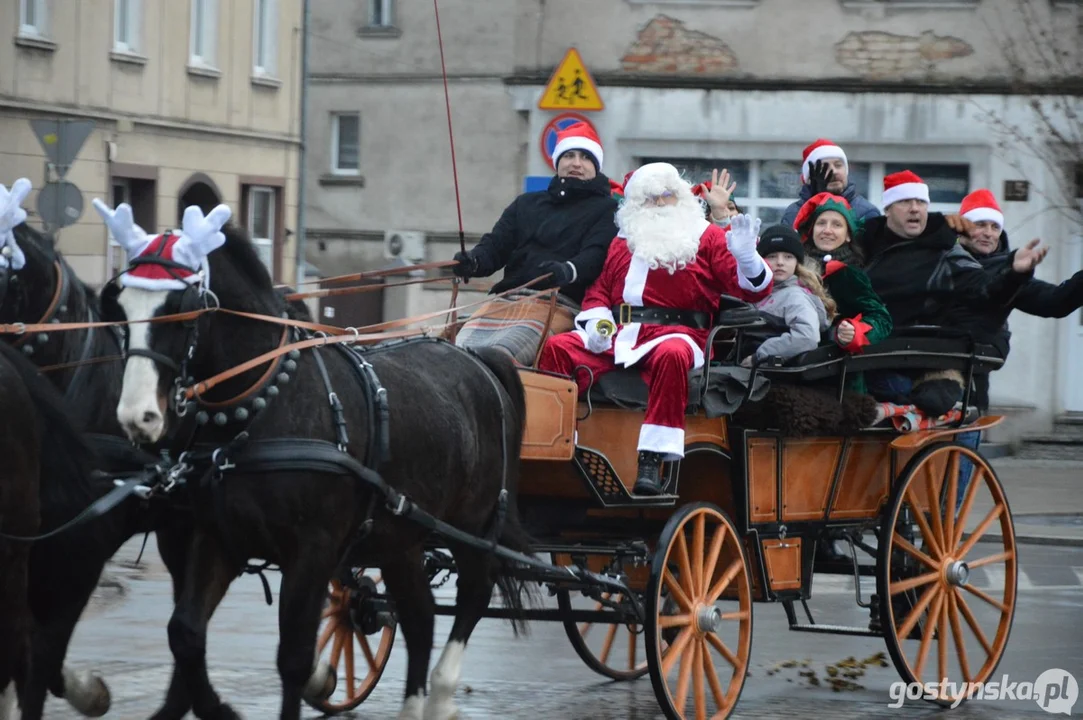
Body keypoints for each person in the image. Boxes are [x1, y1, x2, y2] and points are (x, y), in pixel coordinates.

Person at [536, 162, 773, 496]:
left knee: (671, 354)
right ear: (636, 206)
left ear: (681, 198)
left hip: (680, 333)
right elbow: (599, 292)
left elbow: (753, 290)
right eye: (650, 199)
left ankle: (652, 458)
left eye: (667, 196)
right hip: (620, 335)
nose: (660, 204)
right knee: (558, 348)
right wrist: (597, 324)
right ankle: (555, 445)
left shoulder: (706, 236)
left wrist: (748, 258)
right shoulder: (623, 242)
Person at [855, 170, 1049, 418]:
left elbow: (984, 288)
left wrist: (1014, 273)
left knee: (934, 403)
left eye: (921, 202)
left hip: (919, 358)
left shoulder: (945, 252)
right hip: (865, 352)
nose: (915, 209)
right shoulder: (863, 243)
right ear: (888, 209)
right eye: (905, 202)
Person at [450, 121, 618, 365]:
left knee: (499, 357)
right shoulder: (526, 203)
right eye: (569, 155)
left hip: (560, 304)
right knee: (459, 354)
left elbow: (596, 255)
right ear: (558, 161)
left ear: (596, 166)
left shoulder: (608, 209)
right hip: (505, 300)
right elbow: (496, 245)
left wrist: (566, 271)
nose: (576, 163)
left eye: (585, 157)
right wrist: (473, 261)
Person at [792, 192, 894, 373]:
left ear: (848, 235)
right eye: (821, 223)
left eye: (837, 225)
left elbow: (882, 319)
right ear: (811, 230)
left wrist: (854, 331)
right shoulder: (793, 266)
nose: (827, 230)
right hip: (792, 363)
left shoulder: (849, 274)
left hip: (835, 374)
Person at [743, 225, 832, 366]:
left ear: (797, 262)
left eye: (788, 257)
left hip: (769, 375)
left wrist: (760, 355)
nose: (780, 262)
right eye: (772, 256)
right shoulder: (754, 291)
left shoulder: (796, 296)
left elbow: (807, 337)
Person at [780, 139, 880, 228]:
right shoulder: (794, 213)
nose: (834, 171)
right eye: (824, 167)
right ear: (809, 178)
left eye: (838, 165)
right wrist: (815, 204)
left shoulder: (866, 213)